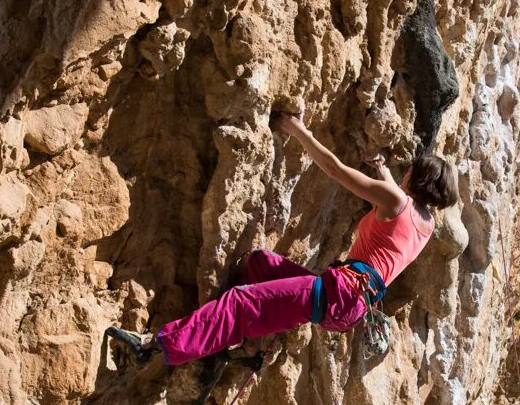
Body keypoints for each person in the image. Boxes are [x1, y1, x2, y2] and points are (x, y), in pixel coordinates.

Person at [106, 102, 459, 369]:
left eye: (410, 170)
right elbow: (394, 224)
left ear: (416, 178)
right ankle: (251, 351)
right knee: (261, 264)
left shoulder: (395, 199)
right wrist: (384, 175)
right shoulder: (426, 226)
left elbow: (336, 170)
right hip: (351, 304)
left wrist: (297, 129)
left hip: (339, 292)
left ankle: (154, 345)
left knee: (240, 302)